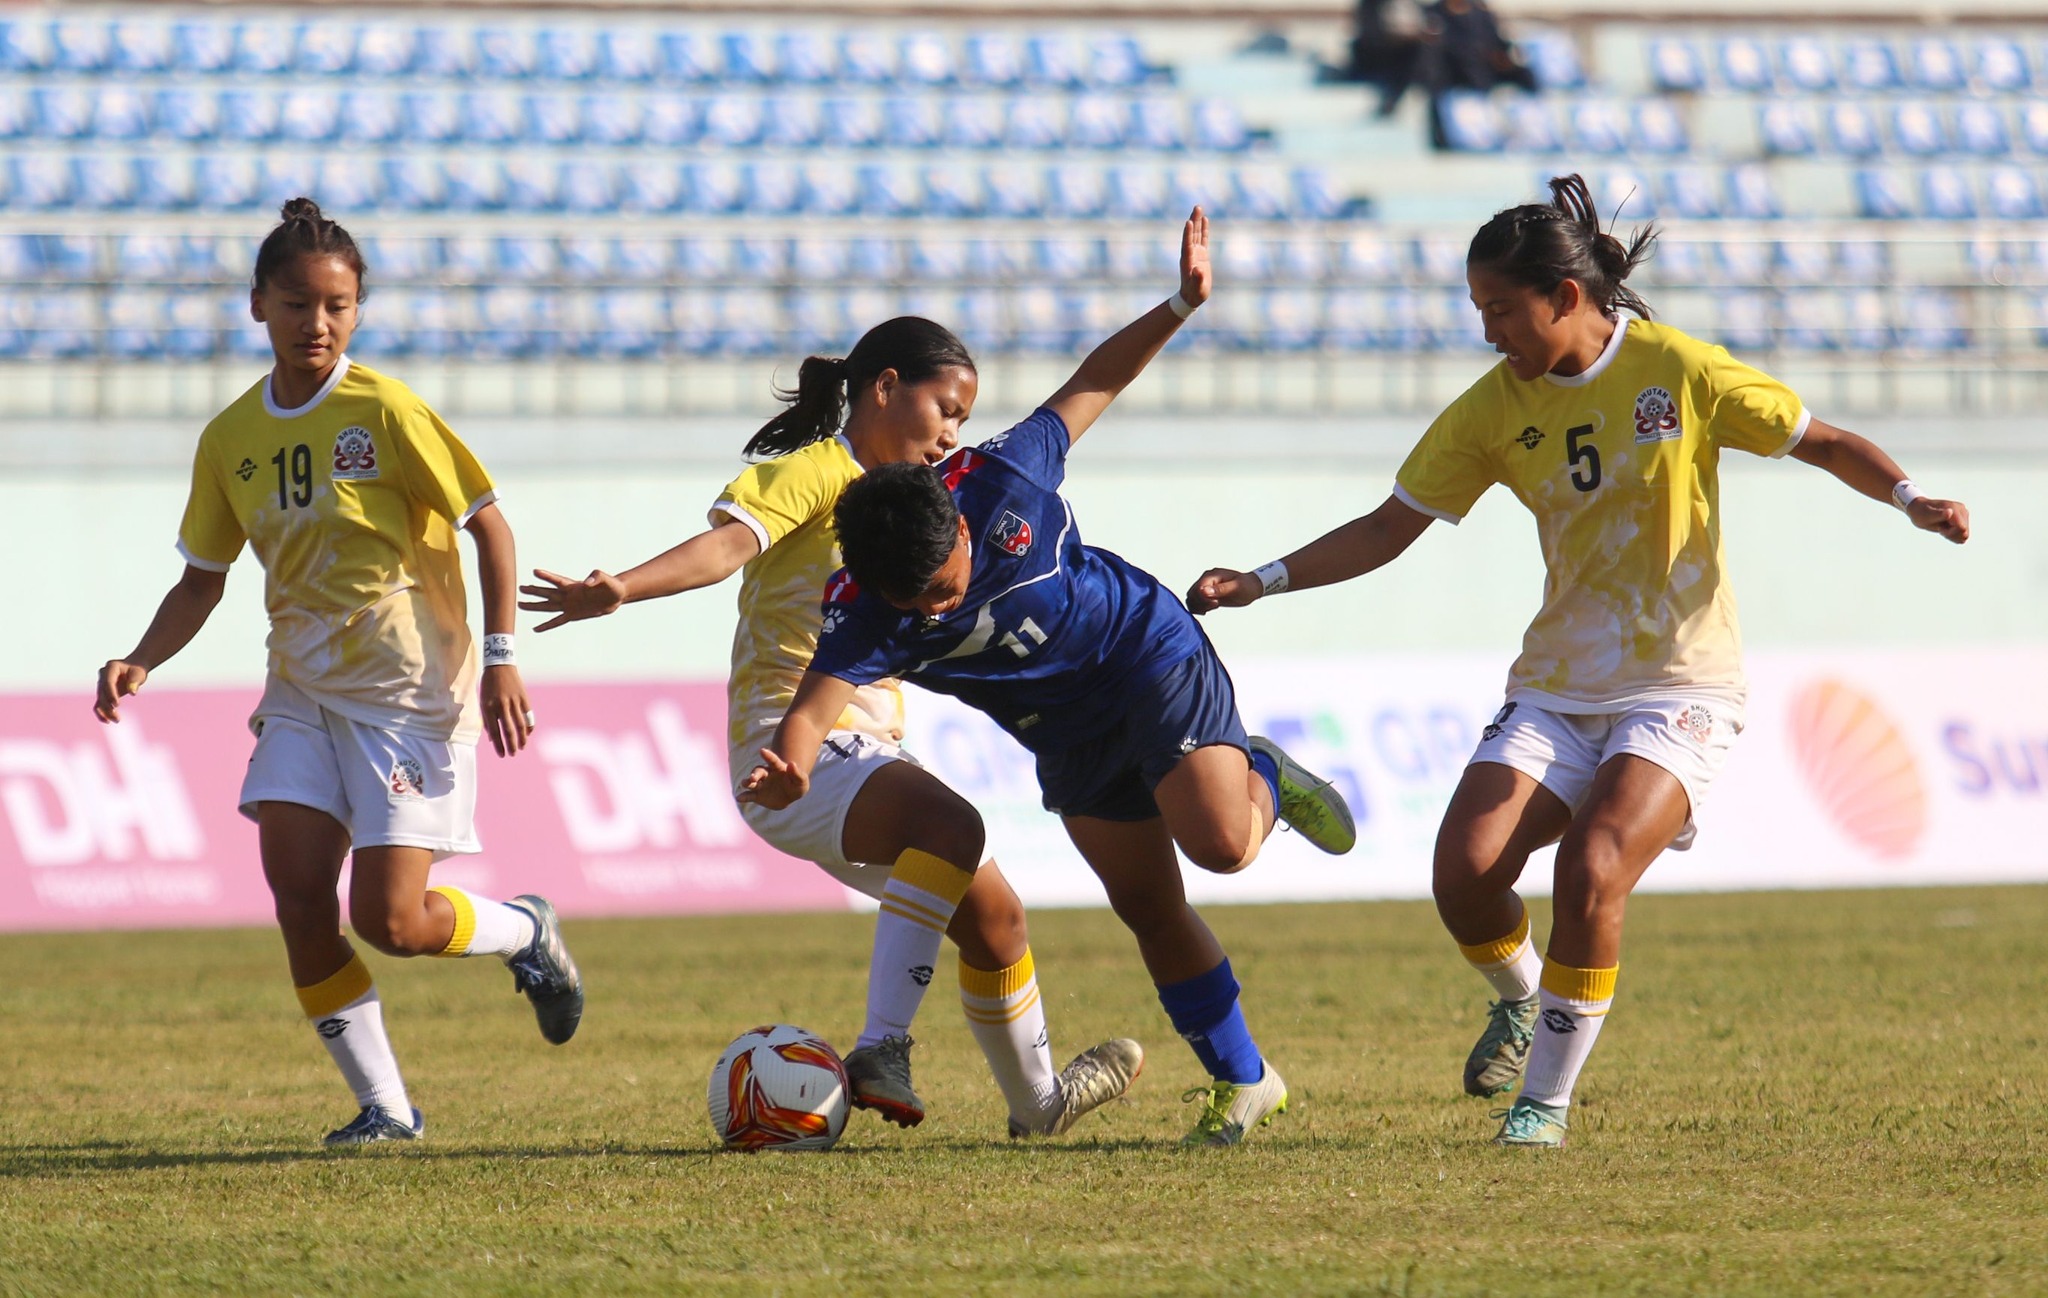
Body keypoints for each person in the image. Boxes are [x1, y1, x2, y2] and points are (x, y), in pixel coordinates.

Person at [1185, 174, 1971, 1148]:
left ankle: (1541, 1106)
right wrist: (1261, 579)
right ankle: (1524, 1000)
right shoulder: (1491, 409)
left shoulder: (1678, 368)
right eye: (1478, 310)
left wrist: (1909, 497)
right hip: (1558, 686)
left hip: (1680, 683)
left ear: (1563, 296)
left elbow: (1824, 441)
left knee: (1592, 866)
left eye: (1499, 310)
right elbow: (1390, 527)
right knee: (1464, 874)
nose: (1487, 332)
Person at [517, 212, 1223, 1137]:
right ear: (885, 387)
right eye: (946, 409)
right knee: (953, 826)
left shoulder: (944, 496)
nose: (953, 434)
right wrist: (623, 587)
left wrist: (1178, 306)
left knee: (998, 922)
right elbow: (724, 549)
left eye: (964, 419)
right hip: (792, 747)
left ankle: (1039, 1106)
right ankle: (881, 1046)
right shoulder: (821, 471)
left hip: (862, 754)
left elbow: (1088, 386)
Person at [736, 313, 1358, 1148]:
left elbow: (1097, 380)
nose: (935, 610)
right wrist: (791, 766)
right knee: (1147, 905)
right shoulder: (866, 605)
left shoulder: (1005, 476)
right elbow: (812, 709)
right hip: (1064, 733)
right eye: (916, 603)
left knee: (1219, 846)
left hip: (1146, 657)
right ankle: (1246, 1079)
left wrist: (1178, 307)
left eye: (944, 587)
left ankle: (1266, 776)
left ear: (962, 530)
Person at [94, 198, 584, 1147]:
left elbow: (489, 526)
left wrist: (502, 659)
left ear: (357, 309)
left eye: (338, 306)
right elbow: (203, 578)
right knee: (299, 897)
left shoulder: (387, 410)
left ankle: (525, 930)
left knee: (394, 923)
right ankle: (386, 1110)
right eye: (297, 304)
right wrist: (140, 658)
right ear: (258, 305)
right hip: (300, 694)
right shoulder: (230, 438)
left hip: (408, 695)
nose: (317, 324)